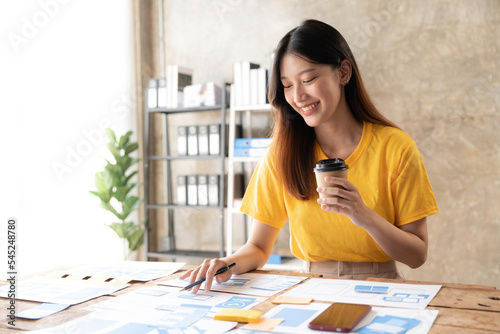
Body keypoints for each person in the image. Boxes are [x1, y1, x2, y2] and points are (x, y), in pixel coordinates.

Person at [180, 19, 439, 293]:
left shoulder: (396, 147)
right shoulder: (282, 154)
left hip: (381, 288)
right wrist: (227, 263)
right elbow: (257, 247)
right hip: (311, 290)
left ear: (343, 72)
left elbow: (417, 255)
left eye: (308, 79)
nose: (298, 95)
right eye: (287, 85)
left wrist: (362, 215)